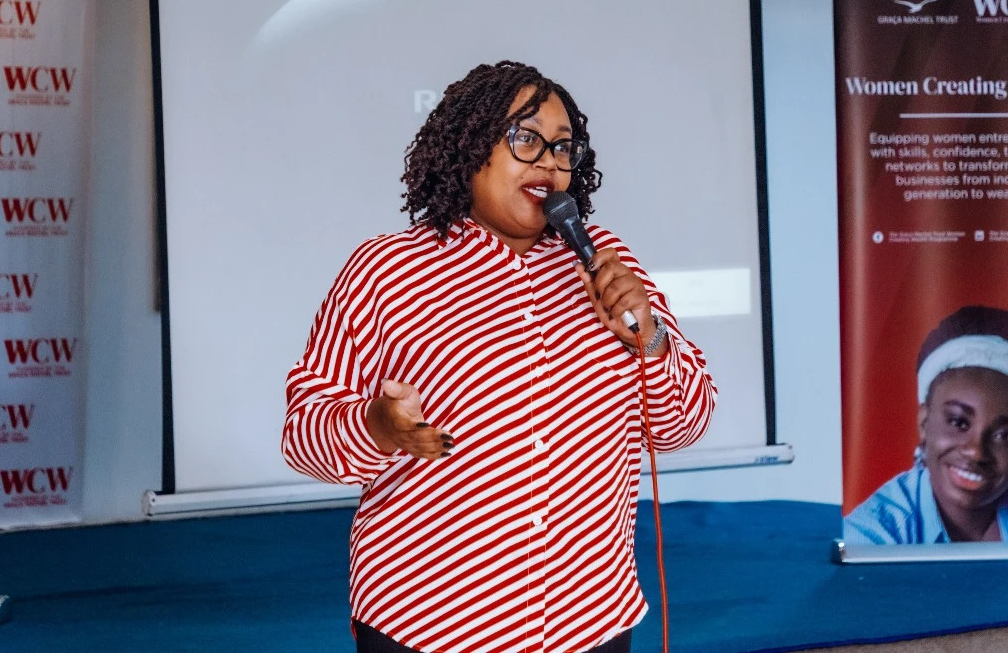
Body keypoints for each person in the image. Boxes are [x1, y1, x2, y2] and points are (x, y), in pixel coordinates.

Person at [282, 61, 716, 653]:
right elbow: (302, 432)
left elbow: (684, 425)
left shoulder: (610, 262)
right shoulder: (385, 273)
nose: (548, 162)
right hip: (430, 621)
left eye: (563, 148)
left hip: (590, 619)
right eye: (525, 138)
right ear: (469, 148)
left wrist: (651, 336)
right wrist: (375, 426)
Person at [844, 305, 1008, 545]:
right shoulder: (873, 533)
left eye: (1005, 435)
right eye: (958, 422)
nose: (976, 452)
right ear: (924, 423)